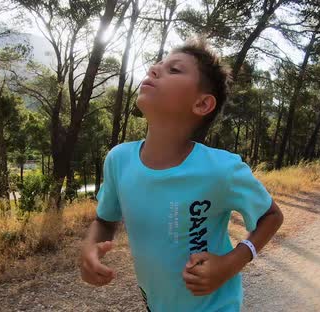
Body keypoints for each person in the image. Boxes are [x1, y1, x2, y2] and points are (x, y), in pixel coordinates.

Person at [80, 37, 284, 312]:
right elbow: (105, 220)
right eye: (158, 64)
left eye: (174, 69)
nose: (154, 69)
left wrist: (231, 263)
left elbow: (271, 216)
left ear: (202, 104)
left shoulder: (221, 169)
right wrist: (90, 247)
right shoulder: (119, 159)